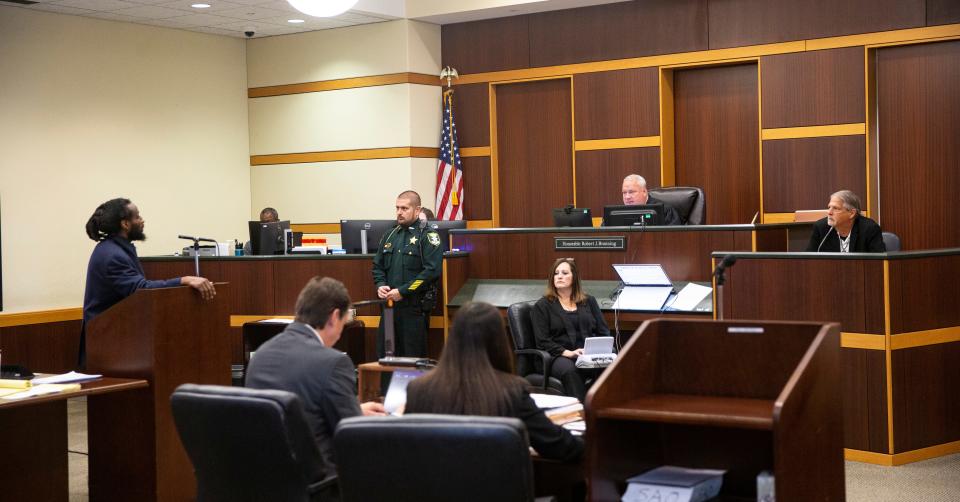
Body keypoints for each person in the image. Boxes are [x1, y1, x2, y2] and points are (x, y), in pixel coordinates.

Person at [405, 301, 584, 463]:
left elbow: (408, 453)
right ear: (498, 341)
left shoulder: (417, 390)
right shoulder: (512, 391)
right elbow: (562, 447)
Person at [246, 276, 386, 473]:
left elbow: (300, 410)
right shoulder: (334, 362)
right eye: (343, 323)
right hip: (319, 483)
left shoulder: (260, 356)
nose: (340, 334)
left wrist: (354, 409)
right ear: (334, 317)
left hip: (265, 479)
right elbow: (353, 437)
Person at [81, 198, 215, 367]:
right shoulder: (113, 255)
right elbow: (141, 290)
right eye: (137, 217)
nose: (142, 221)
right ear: (125, 224)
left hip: (116, 340)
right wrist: (184, 280)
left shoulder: (115, 248)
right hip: (109, 341)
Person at [372, 190, 443, 358]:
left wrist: (402, 291)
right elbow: (377, 266)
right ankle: (387, 386)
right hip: (389, 309)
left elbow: (431, 273)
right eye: (397, 208)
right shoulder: (389, 235)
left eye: (404, 208)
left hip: (413, 309)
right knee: (387, 357)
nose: (399, 212)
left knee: (412, 360)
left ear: (417, 210)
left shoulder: (428, 236)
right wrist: (380, 285)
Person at [531, 258, 611, 401]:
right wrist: (568, 353)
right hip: (557, 356)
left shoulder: (588, 301)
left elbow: (603, 331)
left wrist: (598, 349)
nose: (559, 276)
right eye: (556, 273)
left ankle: (605, 411)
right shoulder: (542, 306)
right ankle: (582, 414)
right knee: (570, 370)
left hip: (587, 353)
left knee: (612, 363)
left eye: (564, 273)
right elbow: (543, 341)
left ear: (574, 277)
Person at [806, 190, 885, 253]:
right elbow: (808, 259)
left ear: (851, 213)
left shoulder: (869, 229)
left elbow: (879, 263)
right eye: (829, 207)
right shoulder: (821, 227)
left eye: (836, 208)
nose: (829, 212)